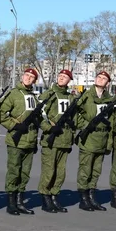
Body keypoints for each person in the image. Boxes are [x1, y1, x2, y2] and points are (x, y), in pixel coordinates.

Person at [0, 68, 42, 215]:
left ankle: (20, 201)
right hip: (16, 140)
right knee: (14, 171)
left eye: (31, 77)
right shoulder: (13, 94)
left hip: (30, 140)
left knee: (25, 173)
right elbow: (1, 114)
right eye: (26, 75)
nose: (28, 78)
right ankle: (11, 203)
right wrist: (14, 125)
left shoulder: (34, 97)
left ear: (34, 81)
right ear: (22, 76)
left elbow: (38, 121)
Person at [37, 69, 75, 213]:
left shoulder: (71, 97)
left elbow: (74, 118)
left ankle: (54, 196)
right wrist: (48, 128)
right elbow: (38, 114)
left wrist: (72, 133)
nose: (61, 78)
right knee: (49, 170)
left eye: (65, 77)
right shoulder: (48, 94)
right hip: (51, 139)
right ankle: (45, 197)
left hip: (65, 139)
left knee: (60, 172)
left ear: (69, 80)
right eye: (60, 76)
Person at [75, 71, 112, 211]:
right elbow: (75, 113)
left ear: (107, 83)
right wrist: (85, 125)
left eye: (104, 78)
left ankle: (92, 196)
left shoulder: (109, 99)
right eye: (99, 77)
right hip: (89, 137)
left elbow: (111, 122)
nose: (101, 79)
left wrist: (108, 143)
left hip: (102, 139)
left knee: (96, 170)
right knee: (85, 169)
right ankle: (83, 199)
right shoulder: (86, 96)